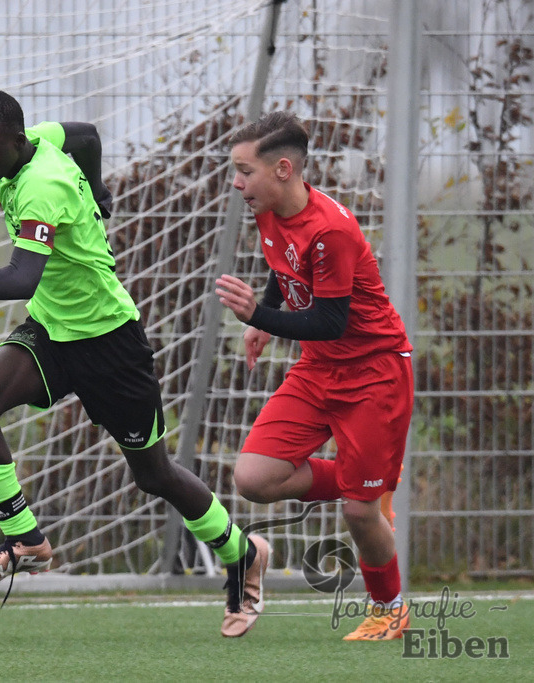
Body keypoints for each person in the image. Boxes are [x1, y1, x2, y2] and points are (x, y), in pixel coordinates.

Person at [0, 89, 269, 637]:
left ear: (15, 142)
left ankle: (242, 551)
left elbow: (19, 279)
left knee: (153, 475)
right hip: (53, 332)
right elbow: (84, 133)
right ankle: (25, 540)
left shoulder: (42, 187)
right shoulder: (38, 140)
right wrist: (101, 188)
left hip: (109, 345)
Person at [215, 111, 414, 641]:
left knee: (358, 514)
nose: (236, 183)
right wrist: (270, 314)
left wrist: (258, 317)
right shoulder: (270, 208)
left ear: (282, 169)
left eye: (243, 171)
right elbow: (287, 270)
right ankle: (366, 485)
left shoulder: (331, 230)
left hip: (374, 374)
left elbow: (330, 321)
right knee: (254, 479)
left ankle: (389, 610)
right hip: (320, 367)